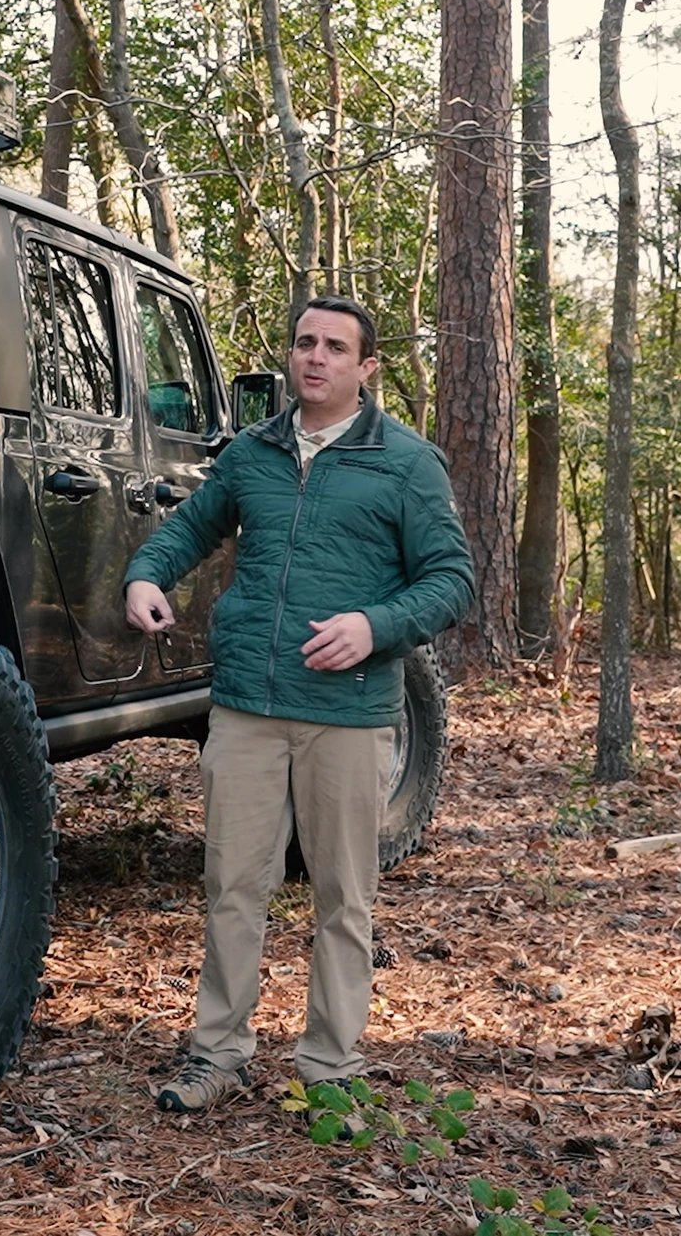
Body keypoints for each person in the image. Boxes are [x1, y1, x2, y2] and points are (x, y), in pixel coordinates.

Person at [122, 294, 476, 1112]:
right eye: (305, 342)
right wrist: (145, 574)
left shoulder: (406, 461)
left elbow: (451, 579)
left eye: (335, 347)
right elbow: (191, 528)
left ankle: (329, 1067)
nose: (316, 356)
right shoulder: (253, 453)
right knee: (232, 885)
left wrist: (374, 625)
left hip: (348, 713)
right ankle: (217, 1055)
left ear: (366, 366)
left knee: (343, 896)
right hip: (248, 704)